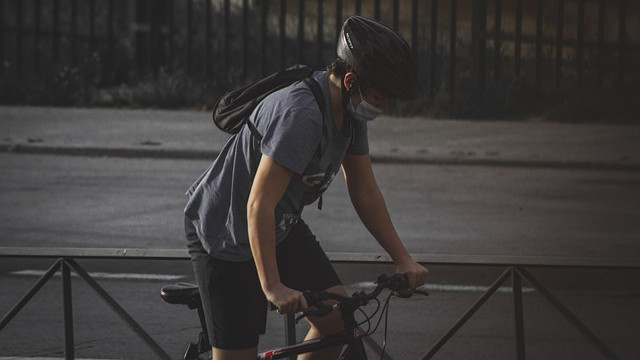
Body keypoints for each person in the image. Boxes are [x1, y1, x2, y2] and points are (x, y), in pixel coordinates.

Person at [184, 15, 429, 360]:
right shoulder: (302, 116)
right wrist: (272, 286)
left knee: (338, 324)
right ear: (350, 81)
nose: (384, 106)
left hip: (280, 225)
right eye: (380, 96)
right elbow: (258, 204)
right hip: (226, 231)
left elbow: (364, 189)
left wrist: (402, 259)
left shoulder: (350, 113)